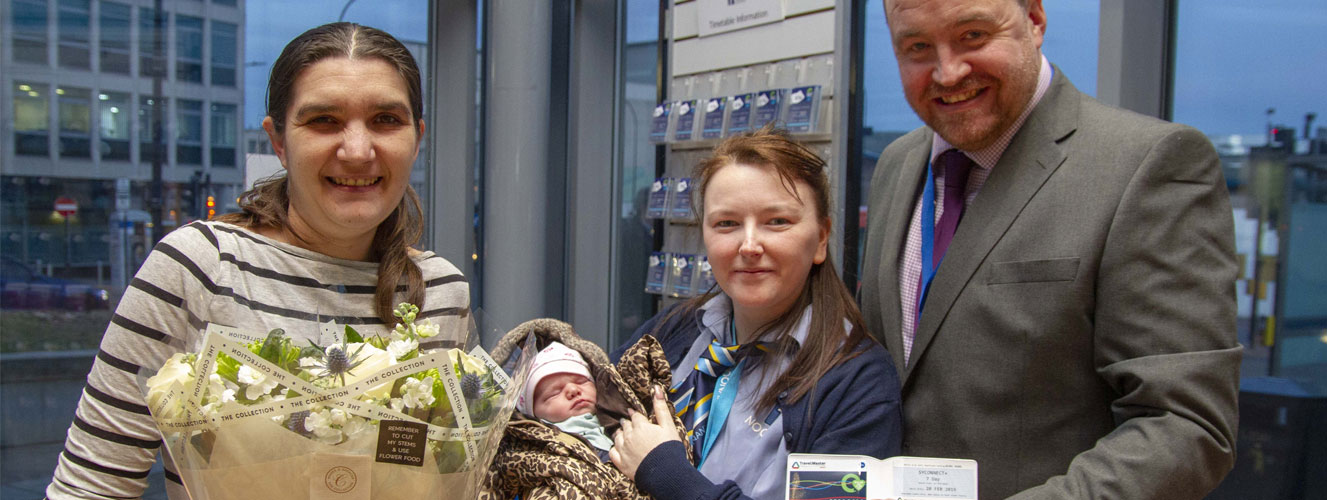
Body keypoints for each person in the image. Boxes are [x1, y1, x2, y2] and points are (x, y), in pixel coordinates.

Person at [45, 23, 470, 500]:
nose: (357, 150)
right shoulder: (202, 267)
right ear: (278, 141)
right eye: (324, 120)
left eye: (386, 120)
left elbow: (427, 470)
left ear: (417, 138)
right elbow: (90, 487)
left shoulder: (439, 291)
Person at [860, 1, 1241, 498]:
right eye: (917, 47)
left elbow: (1185, 426)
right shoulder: (896, 165)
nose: (948, 72)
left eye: (973, 35)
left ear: (1035, 20)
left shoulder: (1147, 165)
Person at [610, 128, 902, 500]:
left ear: (822, 239)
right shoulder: (675, 329)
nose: (748, 246)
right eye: (726, 224)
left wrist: (664, 471)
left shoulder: (858, 384)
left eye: (776, 221)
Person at [518, 341, 614, 458]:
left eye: (582, 382)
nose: (573, 390)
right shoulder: (536, 447)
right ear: (533, 413)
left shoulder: (616, 416)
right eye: (554, 393)